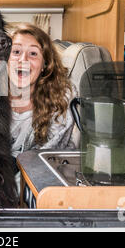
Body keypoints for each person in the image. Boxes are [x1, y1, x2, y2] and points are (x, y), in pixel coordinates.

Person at [7, 23, 77, 166]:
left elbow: (48, 156)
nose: (23, 60)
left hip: (37, 174)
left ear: (45, 64)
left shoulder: (61, 98)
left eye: (33, 53)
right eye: (16, 52)